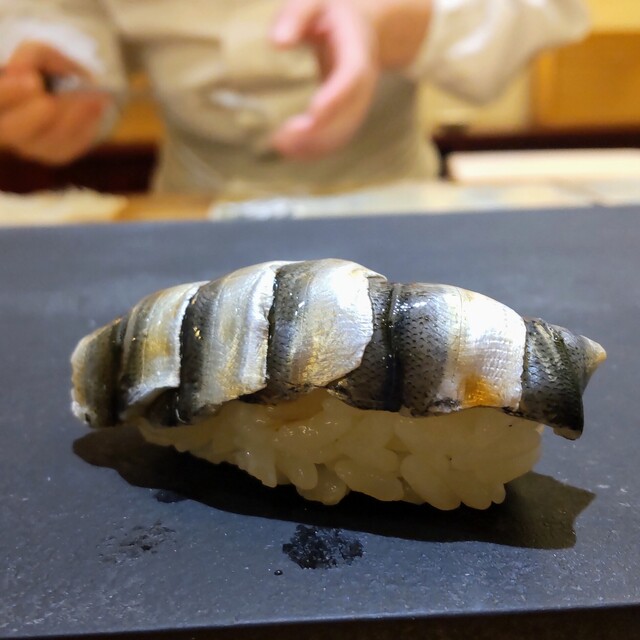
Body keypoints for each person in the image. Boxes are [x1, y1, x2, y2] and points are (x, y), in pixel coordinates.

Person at [0, 0, 589, 198]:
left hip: (392, 200)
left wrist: (392, 23)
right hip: (185, 207)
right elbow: (60, 11)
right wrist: (64, 68)